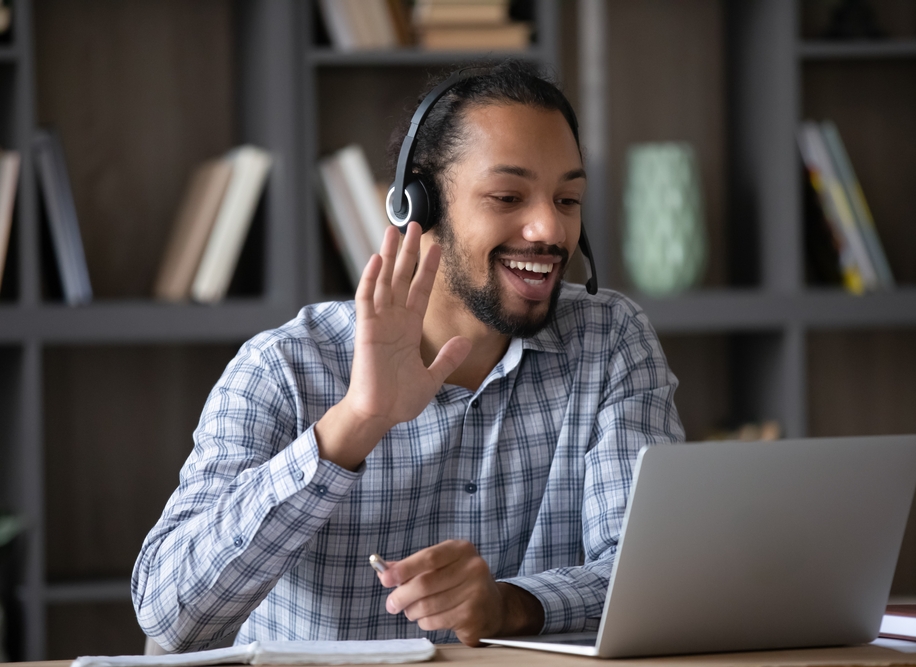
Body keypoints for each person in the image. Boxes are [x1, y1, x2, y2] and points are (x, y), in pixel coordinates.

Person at [132, 59, 683, 652]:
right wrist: (354, 424)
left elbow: (652, 577)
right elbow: (170, 617)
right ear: (417, 205)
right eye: (507, 196)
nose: (549, 229)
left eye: (568, 199)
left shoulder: (610, 340)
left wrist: (510, 606)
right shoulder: (283, 369)